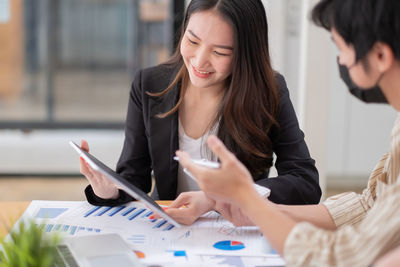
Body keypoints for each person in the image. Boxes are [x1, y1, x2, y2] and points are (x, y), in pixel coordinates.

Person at [175, 0, 400, 266]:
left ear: (381, 56)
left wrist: (249, 198)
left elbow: (344, 257)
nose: (340, 60)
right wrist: (259, 209)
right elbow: (369, 206)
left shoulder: (269, 90)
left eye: (341, 48)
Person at [79, 0, 321, 222]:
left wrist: (220, 200)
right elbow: (134, 178)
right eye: (192, 41)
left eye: (220, 52)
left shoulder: (269, 91)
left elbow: (305, 182)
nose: (199, 61)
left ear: (245, 55)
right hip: (166, 225)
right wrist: (110, 191)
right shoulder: (149, 85)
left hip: (235, 227)